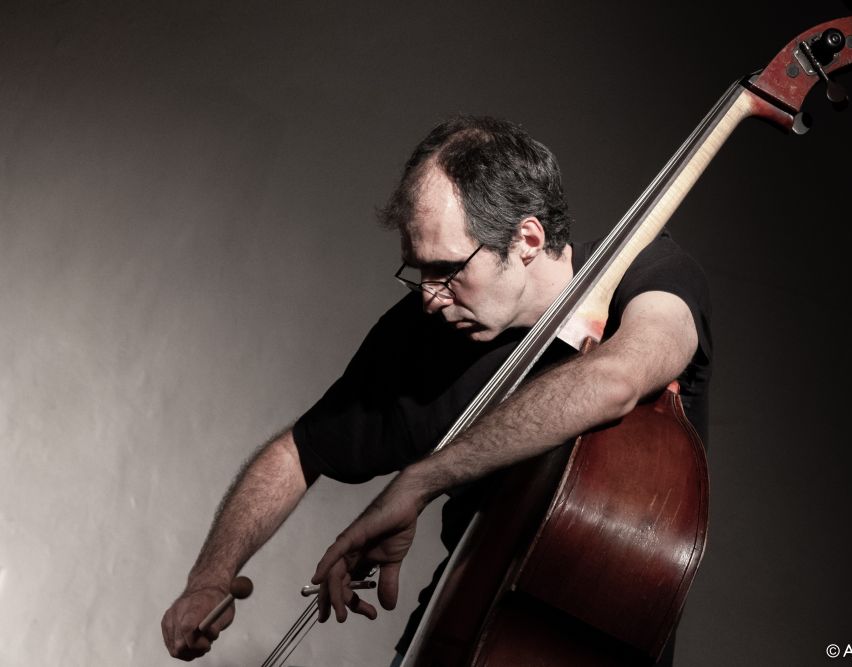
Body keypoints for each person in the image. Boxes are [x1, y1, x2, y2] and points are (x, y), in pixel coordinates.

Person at [161, 115, 712, 663]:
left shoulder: (649, 272)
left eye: (447, 270)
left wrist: (421, 481)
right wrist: (210, 576)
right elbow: (298, 450)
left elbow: (615, 379)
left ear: (527, 239)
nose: (429, 298)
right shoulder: (424, 336)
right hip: (458, 625)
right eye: (417, 272)